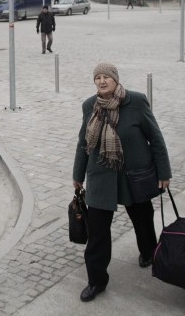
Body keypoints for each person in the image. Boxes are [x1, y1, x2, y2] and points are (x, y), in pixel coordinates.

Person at [72, 62, 172, 302]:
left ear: (116, 80)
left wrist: (164, 173)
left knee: (142, 219)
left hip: (132, 175)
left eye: (107, 77)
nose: (102, 81)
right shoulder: (89, 106)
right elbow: (83, 143)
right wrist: (78, 175)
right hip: (100, 177)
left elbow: (155, 138)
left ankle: (148, 253)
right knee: (97, 232)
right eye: (98, 77)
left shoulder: (136, 102)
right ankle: (96, 280)